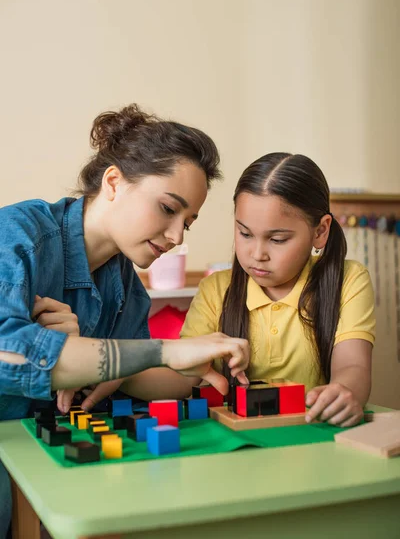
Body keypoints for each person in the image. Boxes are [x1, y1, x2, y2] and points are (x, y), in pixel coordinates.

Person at [0, 104, 249, 539]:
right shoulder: (19, 236)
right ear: (113, 182)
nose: (176, 237)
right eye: (168, 209)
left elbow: (140, 372)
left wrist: (172, 368)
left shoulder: (125, 284)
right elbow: (9, 353)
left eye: (187, 223)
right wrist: (164, 351)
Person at [181, 152, 375, 428]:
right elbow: (178, 377)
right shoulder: (215, 289)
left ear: (320, 231)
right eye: (245, 234)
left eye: (278, 239)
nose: (257, 254)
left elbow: (353, 367)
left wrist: (346, 392)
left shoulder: (348, 280)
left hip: (314, 438)